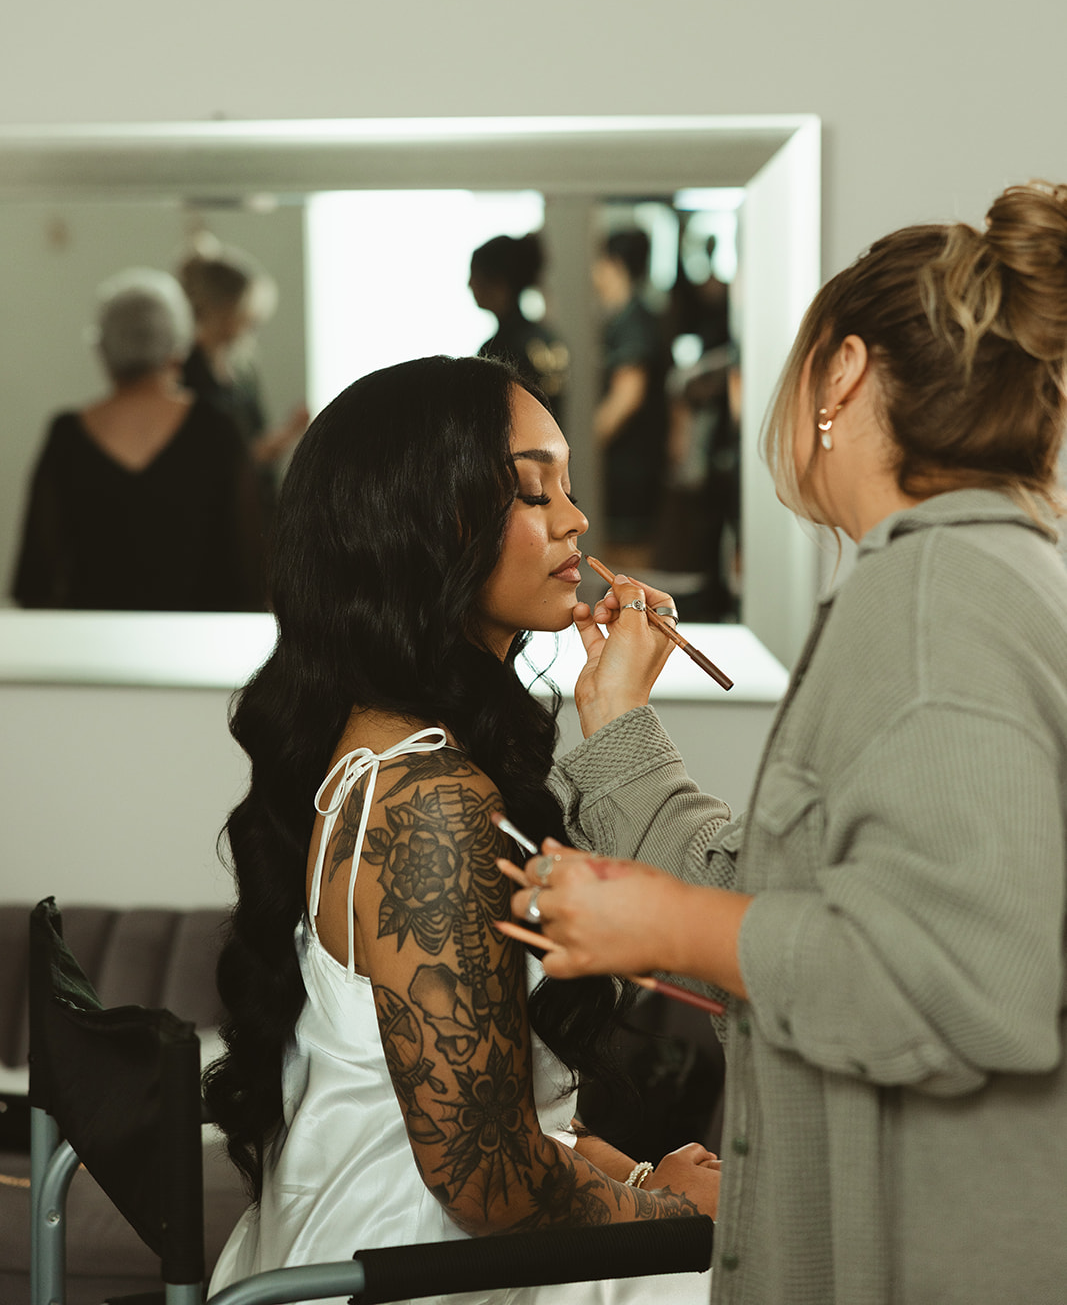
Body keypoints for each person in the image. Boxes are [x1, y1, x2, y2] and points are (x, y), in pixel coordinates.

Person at [503, 182, 1067, 1304]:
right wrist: (615, 719)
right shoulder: (963, 580)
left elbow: (966, 980)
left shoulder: (933, 599)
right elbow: (800, 894)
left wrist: (658, 922)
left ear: (843, 373)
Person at [204, 356, 719, 1305]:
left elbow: (499, 1106)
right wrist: (689, 1219)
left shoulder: (393, 742)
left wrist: (640, 1175)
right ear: (425, 525)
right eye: (532, 492)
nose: (575, 521)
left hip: (414, 1237)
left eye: (566, 484)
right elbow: (488, 1179)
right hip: (414, 1268)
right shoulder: (428, 803)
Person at [11, 268, 264, 610]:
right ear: (178, 347)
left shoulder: (66, 436)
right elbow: (251, 565)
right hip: (202, 651)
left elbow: (34, 578)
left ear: (102, 349)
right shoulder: (217, 430)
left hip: (89, 651)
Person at [178, 241, 309, 521]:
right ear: (225, 309)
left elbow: (251, 445)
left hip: (252, 510)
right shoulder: (186, 374)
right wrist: (274, 444)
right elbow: (203, 464)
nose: (254, 320)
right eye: (247, 311)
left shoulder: (242, 371)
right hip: (214, 516)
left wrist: (283, 438)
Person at [591, 229, 667, 561]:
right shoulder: (623, 319)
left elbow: (627, 398)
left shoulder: (633, 323)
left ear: (613, 264)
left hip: (629, 472)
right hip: (626, 470)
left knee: (625, 564)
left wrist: (577, 449)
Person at [469, 231, 570, 420]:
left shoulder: (498, 350)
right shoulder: (550, 339)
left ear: (498, 283)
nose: (469, 285)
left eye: (475, 276)